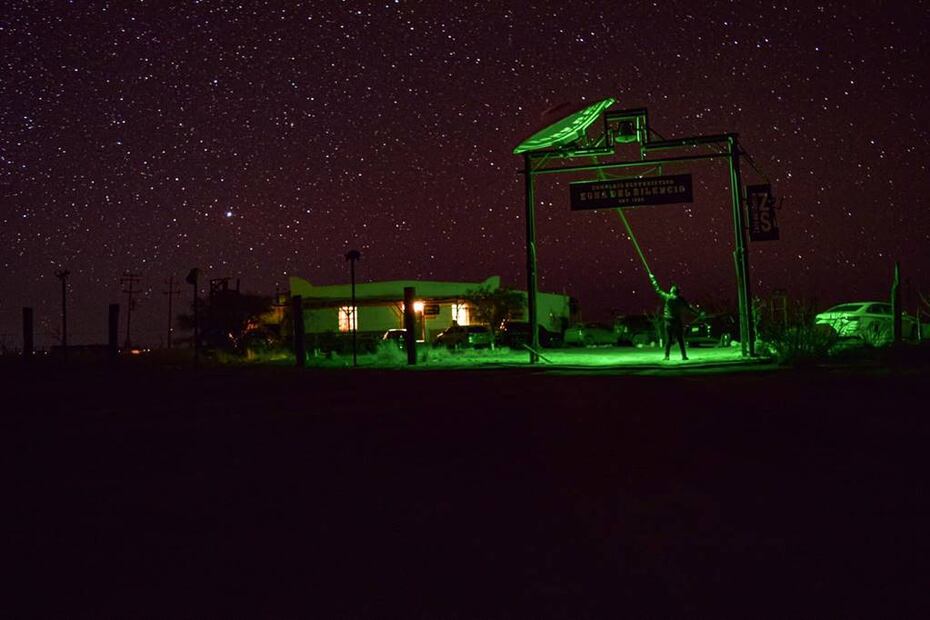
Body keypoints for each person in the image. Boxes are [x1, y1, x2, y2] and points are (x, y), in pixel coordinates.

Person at [649, 273, 702, 361]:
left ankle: (667, 356)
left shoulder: (668, 297)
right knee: (680, 339)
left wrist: (653, 279)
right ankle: (684, 356)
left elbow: (657, 290)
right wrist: (698, 313)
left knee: (669, 340)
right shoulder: (681, 299)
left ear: (672, 291)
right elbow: (689, 308)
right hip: (677, 321)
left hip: (669, 321)